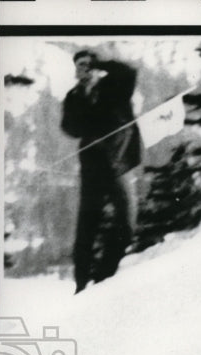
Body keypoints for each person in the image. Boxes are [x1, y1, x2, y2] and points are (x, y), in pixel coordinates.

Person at [61, 50, 142, 293]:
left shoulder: (115, 85)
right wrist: (83, 96)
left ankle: (104, 276)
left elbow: (129, 72)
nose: (84, 69)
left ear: (96, 66)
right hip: (92, 166)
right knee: (87, 224)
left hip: (118, 162)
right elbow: (70, 128)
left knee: (126, 224)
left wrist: (101, 65)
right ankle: (82, 283)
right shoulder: (74, 96)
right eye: (80, 65)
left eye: (88, 64)